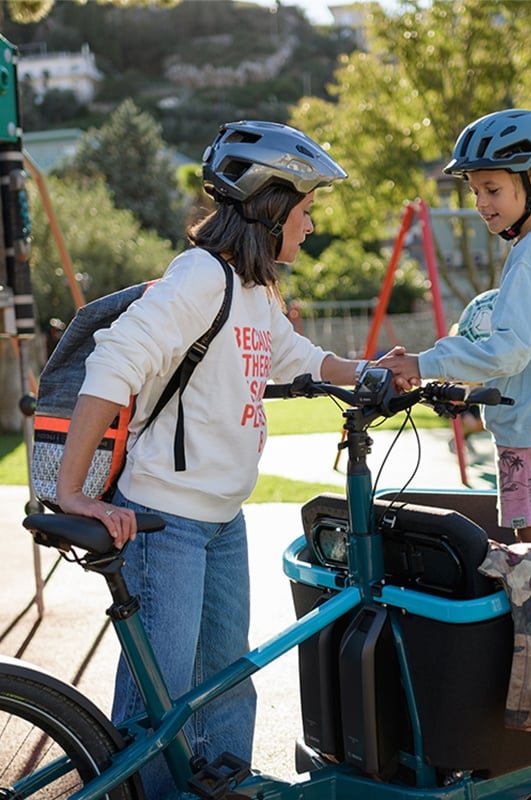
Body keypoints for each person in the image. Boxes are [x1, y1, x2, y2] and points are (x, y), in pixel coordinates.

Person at [55, 120, 374, 799]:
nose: (311, 224)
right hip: (163, 520)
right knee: (159, 703)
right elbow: (113, 360)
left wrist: (369, 372)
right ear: (271, 207)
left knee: (227, 681)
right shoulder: (201, 276)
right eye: (306, 208)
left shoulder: (253, 289)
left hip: (223, 519)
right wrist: (72, 491)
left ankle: (227, 788)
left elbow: (292, 355)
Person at [382, 108, 531, 544]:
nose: (480, 203)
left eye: (492, 189)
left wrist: (424, 363)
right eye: (476, 190)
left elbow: (509, 350)